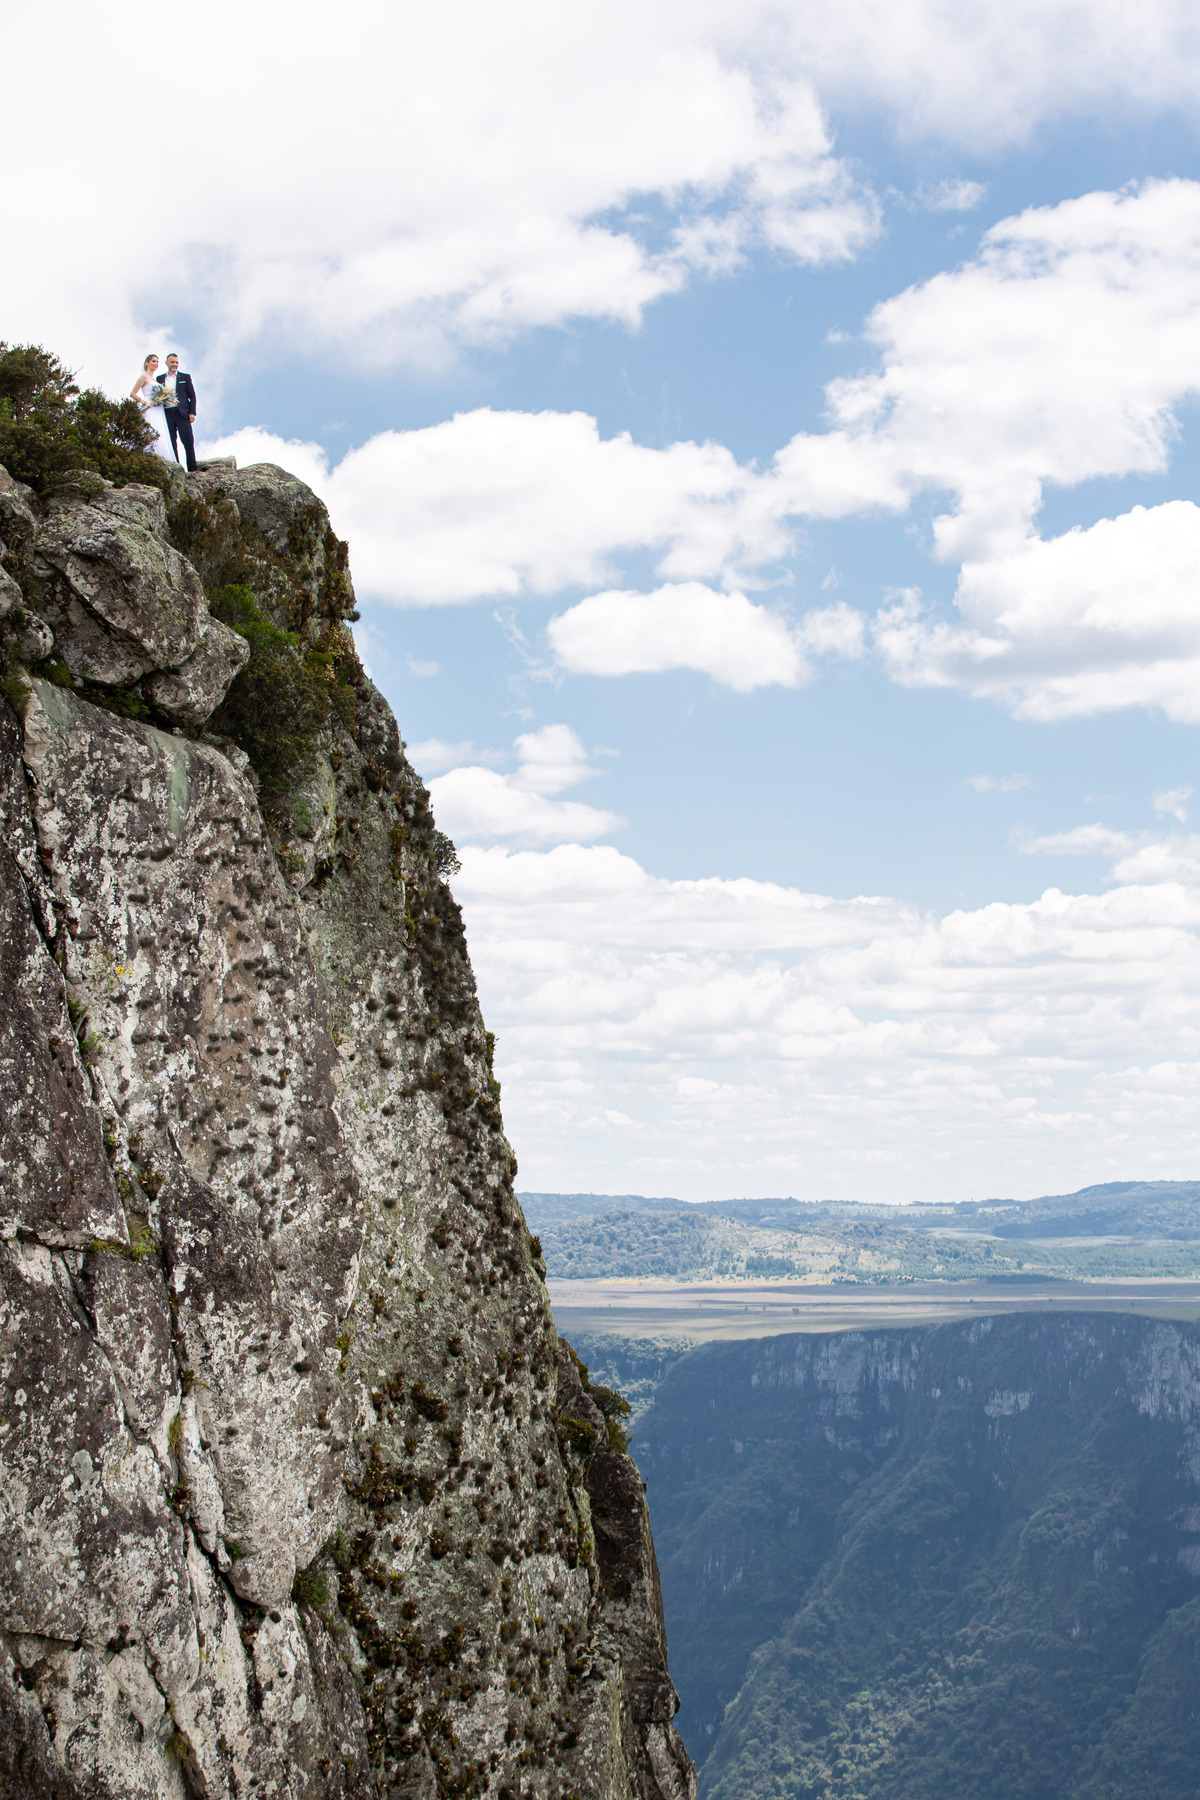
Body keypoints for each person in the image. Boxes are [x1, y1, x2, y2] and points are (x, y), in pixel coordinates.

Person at [160, 353, 198, 471]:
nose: (174, 364)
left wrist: (192, 413)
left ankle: (192, 469)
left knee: (188, 441)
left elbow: (192, 395)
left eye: (176, 362)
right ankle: (177, 469)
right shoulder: (160, 379)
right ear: (166, 363)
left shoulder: (185, 377)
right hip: (167, 414)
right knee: (171, 443)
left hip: (182, 414)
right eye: (172, 362)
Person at [130, 353, 165, 452]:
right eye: (153, 361)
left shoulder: (155, 379)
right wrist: (144, 402)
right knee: (150, 430)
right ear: (147, 363)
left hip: (158, 408)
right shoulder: (144, 376)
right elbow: (132, 394)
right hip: (149, 408)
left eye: (157, 361)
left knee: (159, 431)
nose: (156, 363)